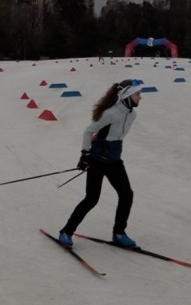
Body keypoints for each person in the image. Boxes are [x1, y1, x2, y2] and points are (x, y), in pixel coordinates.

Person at [58, 79, 143, 247]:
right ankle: (66, 232)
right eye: (138, 94)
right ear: (127, 95)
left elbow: (115, 137)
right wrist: (85, 155)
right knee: (92, 199)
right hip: (97, 162)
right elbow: (89, 131)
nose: (141, 97)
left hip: (114, 161)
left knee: (127, 194)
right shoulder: (111, 113)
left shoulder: (132, 115)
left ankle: (119, 233)